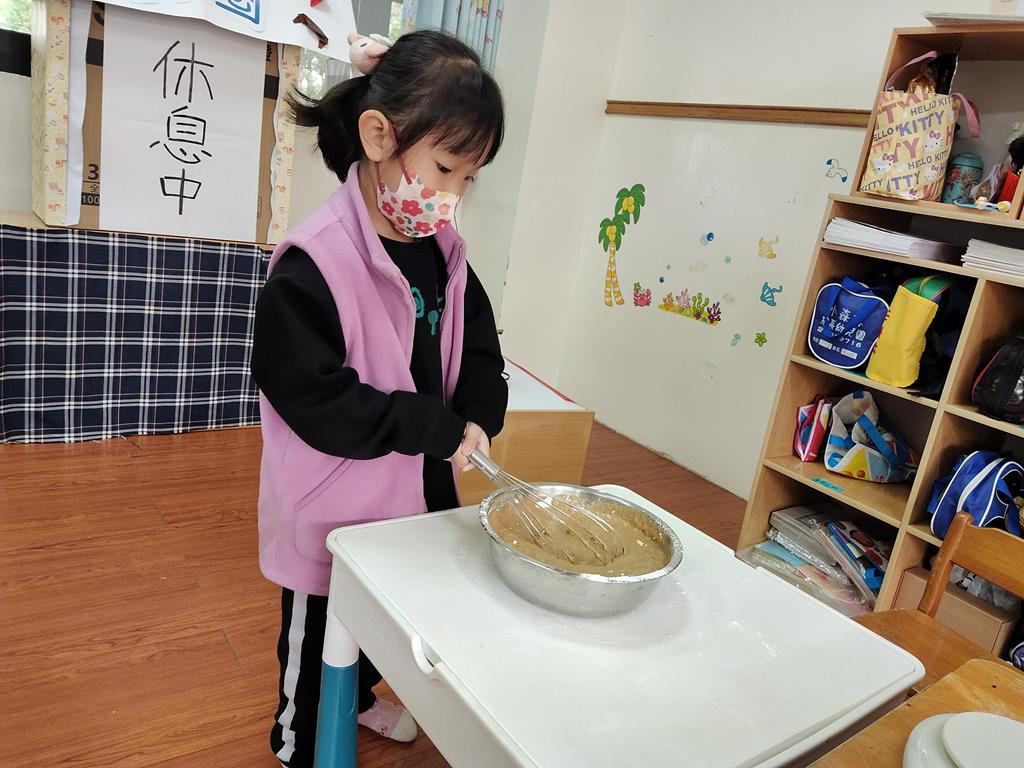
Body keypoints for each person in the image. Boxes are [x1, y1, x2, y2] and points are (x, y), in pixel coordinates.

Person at [250, 29, 507, 768]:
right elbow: (313, 399)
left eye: (470, 177)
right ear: (377, 136)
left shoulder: (443, 253)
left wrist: (480, 413)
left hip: (413, 492)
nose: (452, 196)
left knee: (383, 618)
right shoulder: (314, 263)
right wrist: (425, 423)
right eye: (445, 168)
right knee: (321, 629)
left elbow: (480, 347)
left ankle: (357, 697)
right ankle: (298, 736)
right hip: (335, 504)